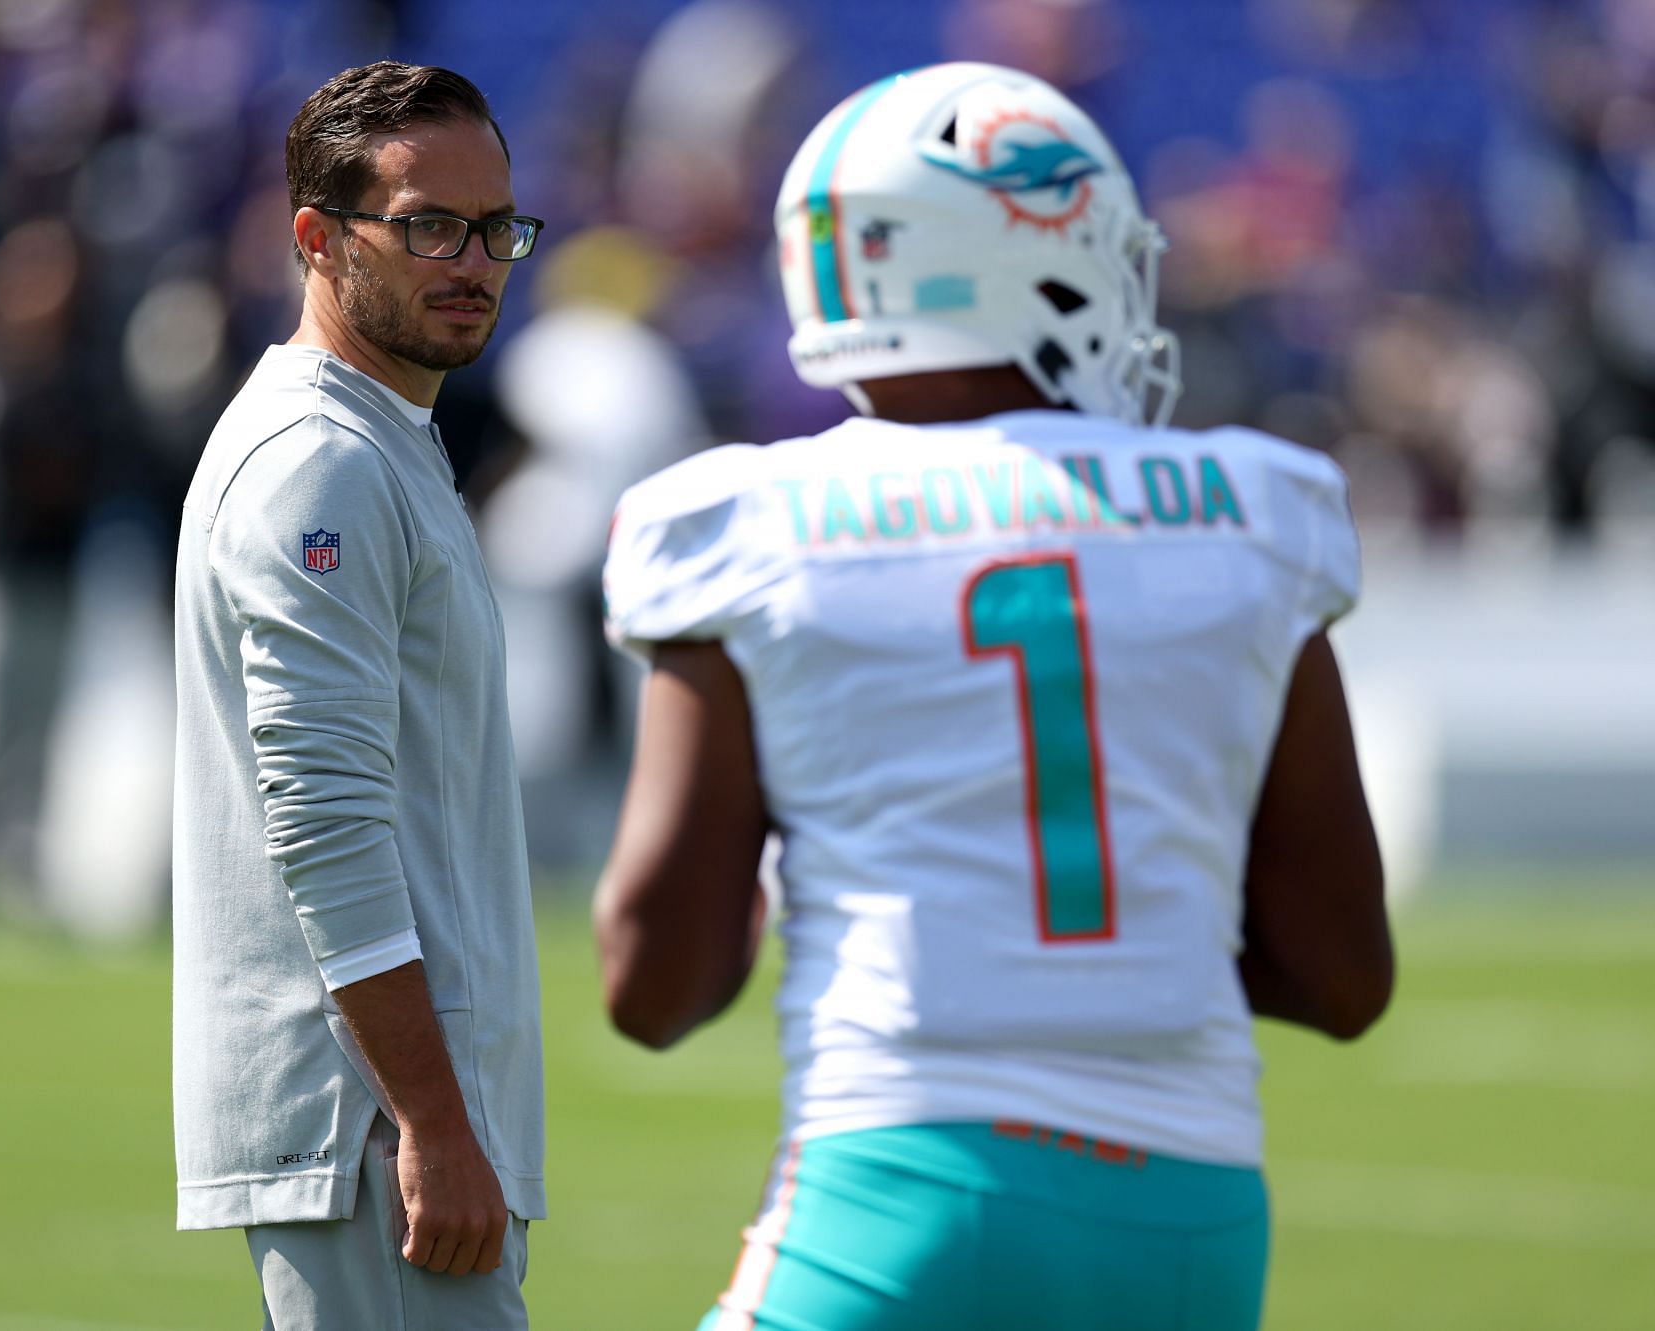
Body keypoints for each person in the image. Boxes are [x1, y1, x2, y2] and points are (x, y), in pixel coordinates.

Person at [596, 62, 1393, 1331]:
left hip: (903, 1195)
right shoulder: (1252, 511)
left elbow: (654, 985)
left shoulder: (744, 524)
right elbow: (1342, 976)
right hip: (1195, 1224)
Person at [173, 62, 545, 1330]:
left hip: (386, 1117)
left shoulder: (378, 433)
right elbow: (324, 818)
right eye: (428, 223)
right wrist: (434, 1120)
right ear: (319, 240)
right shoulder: (319, 460)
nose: (475, 258)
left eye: (497, 227)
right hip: (370, 1126)